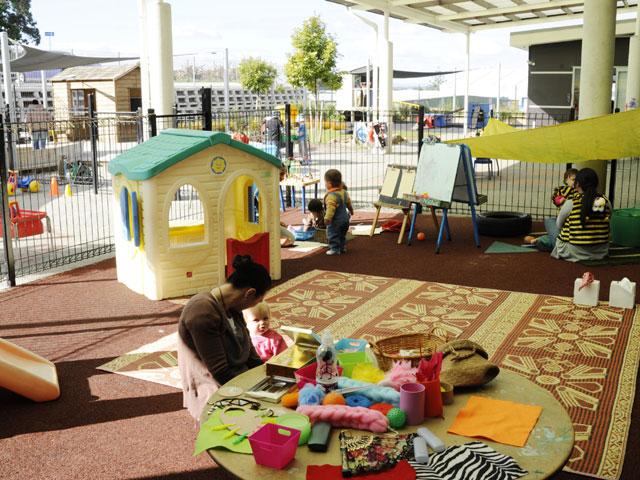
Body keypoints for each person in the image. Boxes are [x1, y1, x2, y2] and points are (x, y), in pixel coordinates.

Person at [177, 255, 270, 420]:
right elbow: (220, 372)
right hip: (215, 391)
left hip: (237, 380)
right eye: (258, 301)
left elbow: (251, 355)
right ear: (249, 293)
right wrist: (257, 391)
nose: (254, 306)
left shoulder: (232, 306)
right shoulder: (202, 312)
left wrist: (267, 378)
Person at [525, 168, 610, 262]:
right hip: (600, 252)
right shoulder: (606, 201)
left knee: (550, 220)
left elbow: (559, 225)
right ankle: (539, 240)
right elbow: (608, 220)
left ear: (577, 184)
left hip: (572, 252)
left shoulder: (571, 202)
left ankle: (541, 241)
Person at [324, 169, 353, 255]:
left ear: (329, 184)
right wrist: (351, 210)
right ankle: (342, 247)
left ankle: (335, 249)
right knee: (342, 235)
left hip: (336, 221)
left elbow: (330, 209)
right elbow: (348, 203)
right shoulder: (344, 192)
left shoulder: (331, 196)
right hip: (345, 219)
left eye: (325, 182)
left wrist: (327, 218)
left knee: (332, 234)